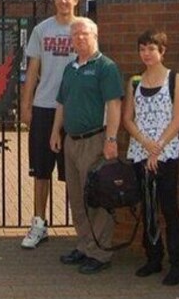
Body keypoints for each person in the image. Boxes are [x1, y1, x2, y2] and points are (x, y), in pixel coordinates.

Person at [51, 17, 124, 275]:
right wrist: (55, 132)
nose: (79, 39)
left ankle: (100, 252)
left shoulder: (106, 67)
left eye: (84, 34)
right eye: (75, 35)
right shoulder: (70, 68)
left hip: (95, 141)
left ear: (95, 35)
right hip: (71, 141)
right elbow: (61, 102)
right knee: (77, 197)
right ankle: (84, 245)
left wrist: (111, 139)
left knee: (97, 198)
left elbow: (114, 105)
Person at [122, 30, 179, 286]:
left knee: (168, 207)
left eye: (152, 48)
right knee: (148, 207)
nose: (146, 54)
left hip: (166, 153)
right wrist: (146, 144)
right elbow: (128, 118)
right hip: (141, 151)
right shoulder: (135, 81)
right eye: (142, 49)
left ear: (162, 51)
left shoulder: (175, 79)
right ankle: (153, 257)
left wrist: (158, 147)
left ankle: (178, 263)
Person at [19, 0, 79, 249]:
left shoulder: (84, 30)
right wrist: (26, 104)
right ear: (54, 0)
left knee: (75, 173)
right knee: (41, 171)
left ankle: (81, 228)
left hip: (74, 110)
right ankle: (39, 223)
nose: (64, 1)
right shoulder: (42, 30)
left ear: (76, 0)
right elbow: (32, 70)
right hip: (44, 107)